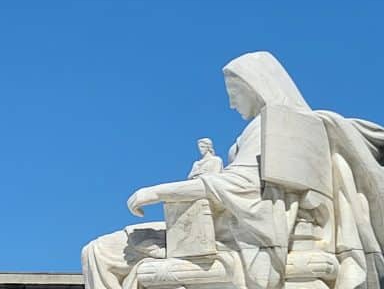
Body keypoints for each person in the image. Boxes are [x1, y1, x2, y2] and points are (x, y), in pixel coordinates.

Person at [81, 52, 384, 289]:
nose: (230, 103)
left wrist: (157, 192)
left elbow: (243, 187)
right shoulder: (270, 128)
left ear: (255, 87)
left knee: (103, 251)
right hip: (230, 231)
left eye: (233, 92)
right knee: (101, 250)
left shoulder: (277, 125)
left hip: (244, 239)